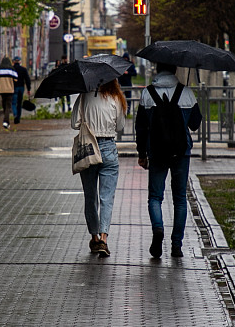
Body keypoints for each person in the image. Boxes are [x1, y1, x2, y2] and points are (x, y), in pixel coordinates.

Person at [135, 62, 202, 258]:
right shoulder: (186, 92)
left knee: (155, 197)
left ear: (157, 70)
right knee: (180, 199)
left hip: (156, 152)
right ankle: (176, 246)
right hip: (181, 153)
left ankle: (158, 229)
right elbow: (196, 124)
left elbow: (141, 128)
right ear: (174, 70)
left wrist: (141, 154)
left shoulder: (147, 93)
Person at [71, 79, 126, 258]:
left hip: (89, 148)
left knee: (90, 196)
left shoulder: (85, 95)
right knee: (107, 198)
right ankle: (104, 238)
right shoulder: (116, 98)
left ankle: (94, 238)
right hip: (109, 148)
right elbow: (120, 126)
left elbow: (74, 124)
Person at [0, 57, 18, 129]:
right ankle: (6, 121)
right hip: (9, 90)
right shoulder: (11, 69)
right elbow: (16, 79)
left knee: (4, 105)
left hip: (1, 90)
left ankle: (6, 121)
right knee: (8, 105)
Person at [11, 56, 31, 124]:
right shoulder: (23, 69)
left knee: (13, 103)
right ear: (20, 61)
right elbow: (27, 79)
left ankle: (15, 114)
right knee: (19, 103)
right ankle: (18, 118)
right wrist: (29, 89)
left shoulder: (12, 69)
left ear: (13, 61)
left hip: (14, 88)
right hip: (21, 88)